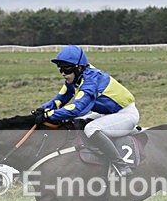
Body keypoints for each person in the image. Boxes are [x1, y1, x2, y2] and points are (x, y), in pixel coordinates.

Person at [34, 45, 139, 177]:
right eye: (60, 69)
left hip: (125, 114)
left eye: (66, 69)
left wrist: (49, 115)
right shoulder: (76, 78)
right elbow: (59, 99)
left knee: (91, 129)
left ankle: (121, 166)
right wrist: (41, 110)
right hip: (109, 113)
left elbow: (76, 109)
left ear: (78, 67)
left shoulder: (90, 81)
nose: (63, 73)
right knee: (77, 123)